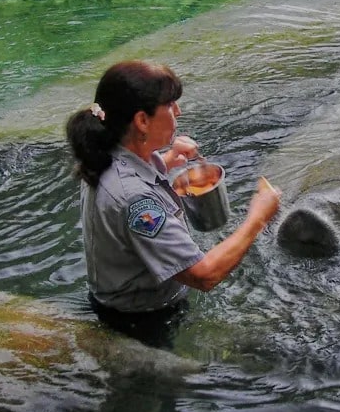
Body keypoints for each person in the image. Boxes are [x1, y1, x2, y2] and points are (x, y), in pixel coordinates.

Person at [65, 59, 280, 344]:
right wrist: (258, 217)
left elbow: (123, 188)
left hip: (115, 301)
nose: (178, 111)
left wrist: (167, 160)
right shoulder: (136, 198)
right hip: (143, 323)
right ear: (142, 120)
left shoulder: (103, 153)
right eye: (170, 106)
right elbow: (204, 275)